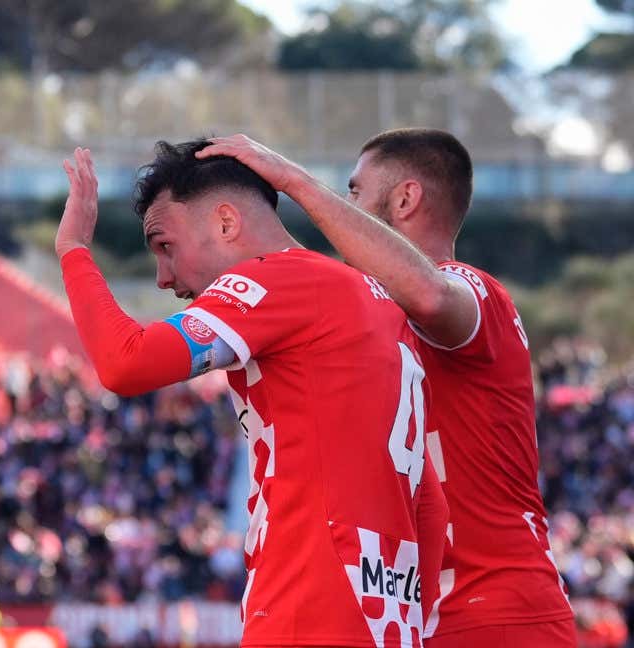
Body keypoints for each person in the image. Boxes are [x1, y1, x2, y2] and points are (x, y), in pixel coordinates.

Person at [194, 130, 575, 646]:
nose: (341, 206)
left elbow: (433, 296)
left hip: (495, 610)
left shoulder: (475, 289)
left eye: (353, 191)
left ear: (405, 198)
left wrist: (295, 181)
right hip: (418, 613)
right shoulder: (369, 314)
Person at [55, 143, 445, 647]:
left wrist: (73, 251)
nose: (163, 278)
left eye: (165, 245)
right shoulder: (377, 304)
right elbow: (430, 506)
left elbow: (125, 362)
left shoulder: (278, 280)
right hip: (388, 613)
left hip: (307, 605)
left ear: (225, 222)